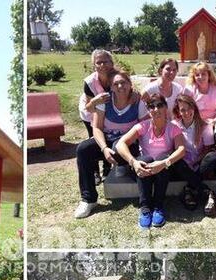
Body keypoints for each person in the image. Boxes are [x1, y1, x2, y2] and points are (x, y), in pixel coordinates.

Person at [74, 70, 148, 219]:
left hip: (128, 143)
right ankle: (89, 199)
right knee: (83, 149)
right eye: (116, 84)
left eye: (124, 82)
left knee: (119, 149)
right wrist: (104, 148)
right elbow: (97, 127)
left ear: (130, 84)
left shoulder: (138, 102)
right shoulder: (104, 101)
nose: (120, 86)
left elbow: (145, 127)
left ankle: (128, 169)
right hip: (107, 142)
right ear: (111, 87)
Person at [115, 93, 186, 229]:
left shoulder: (173, 128)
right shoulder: (142, 126)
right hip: (145, 168)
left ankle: (158, 206)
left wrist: (164, 163)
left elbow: (181, 149)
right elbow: (120, 144)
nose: (155, 109)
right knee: (144, 160)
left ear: (165, 107)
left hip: (163, 169)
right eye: (151, 106)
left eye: (159, 105)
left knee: (162, 158)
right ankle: (145, 208)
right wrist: (133, 162)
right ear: (148, 110)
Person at [171, 94, 216, 212]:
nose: (186, 112)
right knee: (175, 162)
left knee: (212, 157)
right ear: (178, 111)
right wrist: (188, 163)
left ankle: (189, 189)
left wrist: (195, 162)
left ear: (194, 108)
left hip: (199, 163)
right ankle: (207, 192)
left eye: (189, 108)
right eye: (183, 110)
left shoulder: (204, 125)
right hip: (182, 163)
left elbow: (208, 149)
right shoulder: (174, 125)